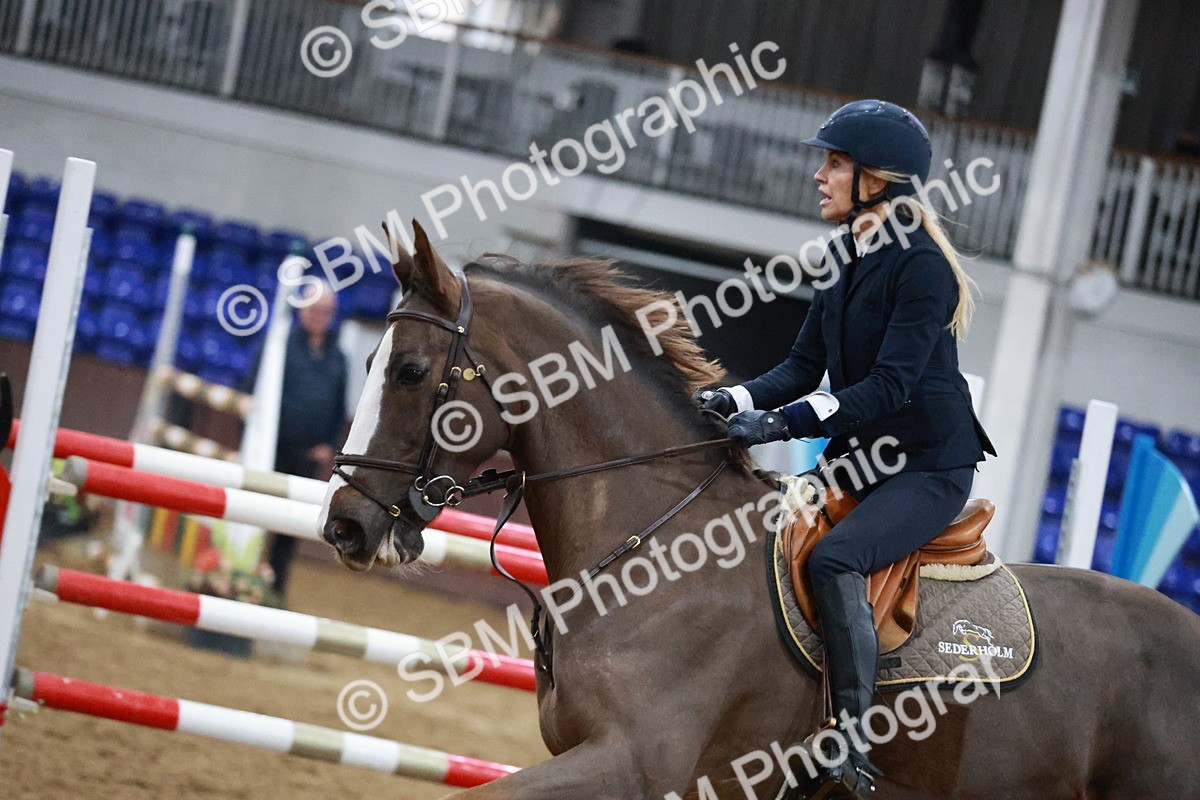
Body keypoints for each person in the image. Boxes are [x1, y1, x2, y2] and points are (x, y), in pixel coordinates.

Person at [696, 99, 995, 797]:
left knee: (836, 558)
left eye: (833, 163)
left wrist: (783, 425)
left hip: (926, 464)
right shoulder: (843, 255)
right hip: (862, 456)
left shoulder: (923, 269)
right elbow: (801, 366)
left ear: (878, 179)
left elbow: (890, 386)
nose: (818, 175)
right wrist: (733, 401)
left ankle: (848, 746)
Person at [266, 280, 347, 601]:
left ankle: (275, 591)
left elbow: (339, 406)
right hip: (272, 450)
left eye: (325, 311)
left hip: (308, 457)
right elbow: (253, 393)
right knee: (256, 517)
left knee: (289, 528)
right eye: (314, 309)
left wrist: (329, 444)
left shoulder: (339, 357)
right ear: (301, 309)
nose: (318, 316)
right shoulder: (278, 346)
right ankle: (237, 579)